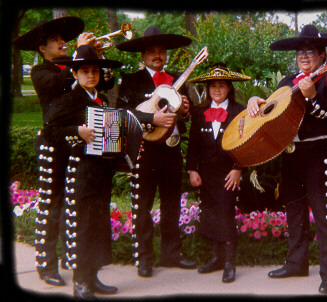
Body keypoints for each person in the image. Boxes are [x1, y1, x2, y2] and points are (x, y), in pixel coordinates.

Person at [246, 24, 327, 294]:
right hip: (292, 156)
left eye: (310, 51)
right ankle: (296, 263)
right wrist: (256, 101)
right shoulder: (285, 84)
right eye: (300, 52)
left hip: (320, 155)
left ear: (322, 56)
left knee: (325, 214)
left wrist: (313, 98)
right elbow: (272, 111)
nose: (304, 56)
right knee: (294, 211)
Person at [13, 16, 114, 287]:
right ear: (42, 49)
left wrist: (94, 57)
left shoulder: (71, 68)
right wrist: (78, 60)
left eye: (64, 39)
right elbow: (59, 83)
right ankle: (46, 265)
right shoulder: (40, 72)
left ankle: (76, 262)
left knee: (77, 204)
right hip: (54, 143)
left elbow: (104, 85)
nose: (63, 42)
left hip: (80, 143)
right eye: (56, 40)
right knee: (52, 203)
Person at [115, 26, 197, 277]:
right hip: (145, 151)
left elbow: (185, 114)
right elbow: (123, 114)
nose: (157, 55)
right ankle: (144, 258)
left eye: (161, 51)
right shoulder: (131, 81)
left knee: (172, 204)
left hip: (171, 151)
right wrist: (152, 119)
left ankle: (172, 254)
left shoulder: (176, 79)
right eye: (152, 52)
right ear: (143, 55)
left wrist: (185, 109)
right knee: (142, 206)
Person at [42, 44, 122, 299]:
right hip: (81, 171)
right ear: (75, 74)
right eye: (85, 71)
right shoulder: (68, 99)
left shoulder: (103, 99)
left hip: (101, 171)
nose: (90, 76)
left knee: (98, 225)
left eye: (94, 71)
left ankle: (93, 276)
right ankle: (80, 282)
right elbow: (50, 132)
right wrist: (77, 131)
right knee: (82, 226)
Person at [186, 63, 250, 283]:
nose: (217, 90)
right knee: (210, 212)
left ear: (229, 88)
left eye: (221, 86)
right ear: (207, 88)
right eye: (213, 86)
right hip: (206, 173)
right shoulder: (199, 111)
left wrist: (238, 168)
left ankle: (230, 263)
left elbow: (245, 144)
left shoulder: (239, 111)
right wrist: (193, 169)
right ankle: (216, 258)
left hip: (228, 172)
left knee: (225, 213)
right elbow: (193, 145)